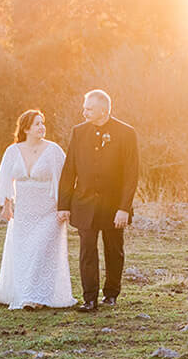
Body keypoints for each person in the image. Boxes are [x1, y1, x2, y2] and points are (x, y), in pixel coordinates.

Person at [57, 89, 138, 313]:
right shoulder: (78, 132)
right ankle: (89, 299)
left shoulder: (126, 133)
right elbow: (69, 170)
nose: (84, 112)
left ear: (103, 110)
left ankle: (111, 294)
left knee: (114, 250)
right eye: (84, 108)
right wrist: (63, 205)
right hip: (84, 204)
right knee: (87, 252)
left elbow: (132, 174)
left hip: (114, 207)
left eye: (89, 109)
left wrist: (124, 208)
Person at [0, 109, 75, 309]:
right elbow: (5, 180)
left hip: (49, 212)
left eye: (43, 123)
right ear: (26, 128)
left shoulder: (53, 151)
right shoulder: (13, 151)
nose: (42, 127)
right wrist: (7, 206)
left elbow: (66, 182)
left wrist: (64, 207)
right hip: (23, 212)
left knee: (41, 252)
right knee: (23, 253)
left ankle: (35, 298)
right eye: (37, 123)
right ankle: (25, 293)